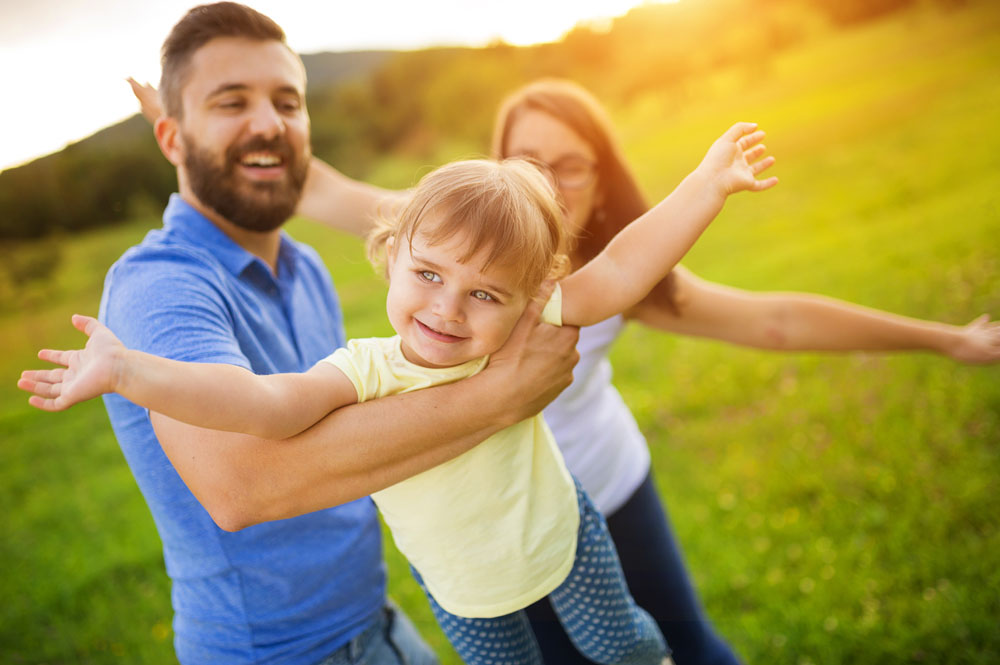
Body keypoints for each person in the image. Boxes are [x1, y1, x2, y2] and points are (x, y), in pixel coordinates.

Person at [21, 115, 777, 662]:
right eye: (429, 274)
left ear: (526, 296)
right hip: (459, 584)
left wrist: (707, 185)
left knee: (625, 648)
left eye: (485, 293)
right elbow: (262, 405)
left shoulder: (523, 323)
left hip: (563, 534)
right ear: (391, 255)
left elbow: (619, 267)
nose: (448, 307)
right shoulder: (365, 369)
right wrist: (128, 371)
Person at [18, 4, 586, 664]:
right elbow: (243, 484)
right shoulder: (160, 283)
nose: (268, 122)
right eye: (231, 102)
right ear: (171, 139)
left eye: (288, 102)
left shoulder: (304, 266)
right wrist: (498, 397)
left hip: (375, 620)